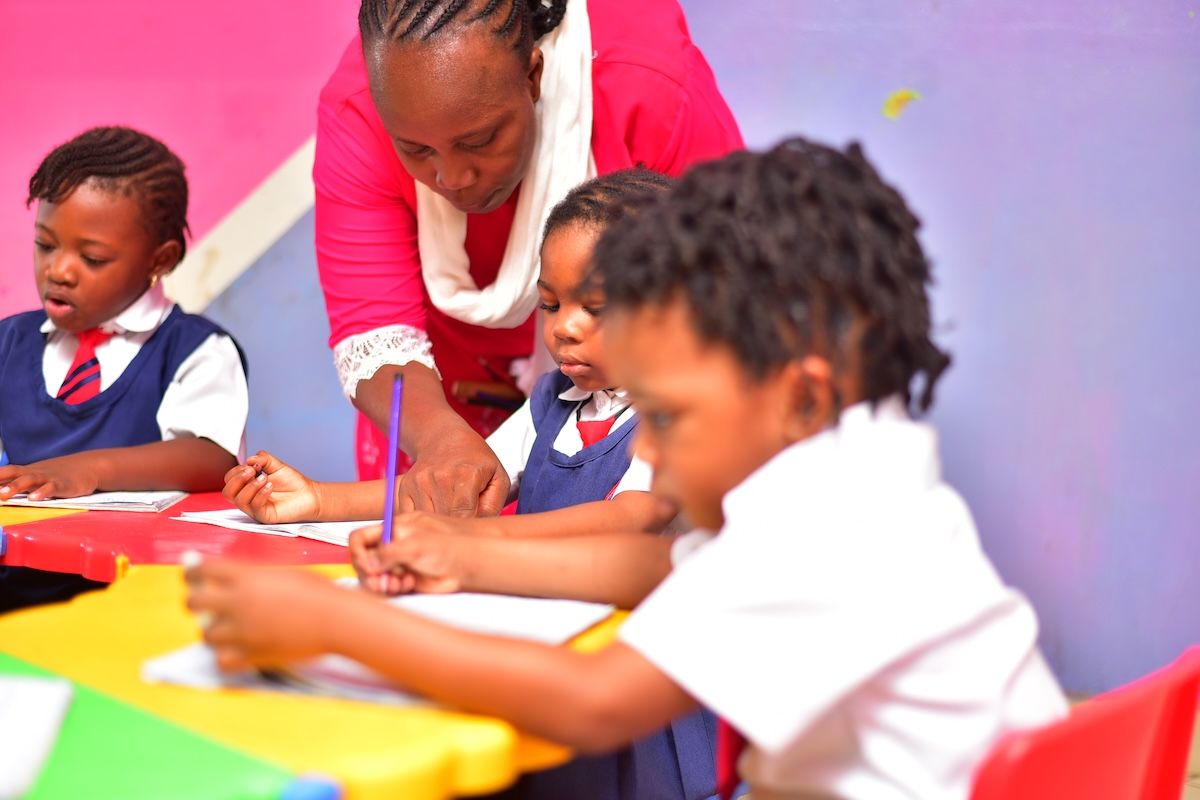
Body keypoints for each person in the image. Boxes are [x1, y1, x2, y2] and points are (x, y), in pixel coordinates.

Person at [189, 137, 1067, 799]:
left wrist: (330, 625)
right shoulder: (861, 468)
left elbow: (592, 701)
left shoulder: (823, 530)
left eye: (670, 418)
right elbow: (653, 563)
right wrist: (463, 555)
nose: (644, 450)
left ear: (798, 394)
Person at [316, 0, 743, 516]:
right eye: (416, 150)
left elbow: (728, 297)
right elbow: (373, 329)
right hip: (433, 394)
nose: (451, 176)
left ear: (533, 74)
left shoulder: (651, 84)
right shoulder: (363, 104)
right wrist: (435, 438)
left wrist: (472, 546)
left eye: (479, 139)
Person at [0, 126, 248, 612]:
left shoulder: (196, 349)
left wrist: (88, 469)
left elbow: (213, 457)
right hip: (17, 580)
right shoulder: (9, 342)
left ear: (160, 260)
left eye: (91, 257)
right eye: (46, 245)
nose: (60, 270)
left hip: (136, 590)